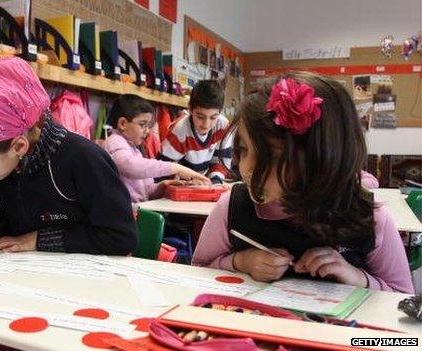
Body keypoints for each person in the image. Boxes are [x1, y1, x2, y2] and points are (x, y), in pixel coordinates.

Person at [192, 72, 413, 293]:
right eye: (243, 150)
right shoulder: (232, 206)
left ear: (324, 158)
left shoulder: (368, 218)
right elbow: (197, 271)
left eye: (273, 156)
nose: (247, 168)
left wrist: (357, 278)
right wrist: (240, 262)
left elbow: (403, 297)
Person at [0, 57, 137, 256]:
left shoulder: (83, 159)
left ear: (19, 145)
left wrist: (38, 240)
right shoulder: (13, 164)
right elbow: (21, 219)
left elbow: (120, 237)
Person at [103, 94, 209, 203]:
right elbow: (131, 167)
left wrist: (163, 186)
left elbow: (146, 192)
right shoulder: (114, 142)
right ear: (123, 123)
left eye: (148, 126)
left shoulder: (134, 149)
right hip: (123, 215)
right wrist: (175, 168)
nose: (147, 131)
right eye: (142, 124)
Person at [159, 80, 232, 183]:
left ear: (220, 112)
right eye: (200, 117)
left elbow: (221, 162)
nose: (206, 124)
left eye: (213, 117)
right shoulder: (179, 131)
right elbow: (163, 170)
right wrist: (186, 181)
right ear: (190, 109)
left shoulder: (223, 126)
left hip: (203, 182)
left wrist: (215, 180)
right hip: (181, 183)